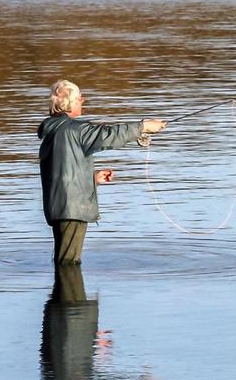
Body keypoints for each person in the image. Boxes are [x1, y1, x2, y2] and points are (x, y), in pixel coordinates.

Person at [38, 79, 165, 263]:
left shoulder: (53, 131)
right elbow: (109, 135)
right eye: (80, 98)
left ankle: (63, 289)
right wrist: (143, 126)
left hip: (58, 207)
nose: (83, 101)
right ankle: (67, 290)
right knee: (68, 262)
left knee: (64, 259)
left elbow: (60, 172)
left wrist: (92, 178)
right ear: (70, 102)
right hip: (72, 210)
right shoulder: (76, 130)